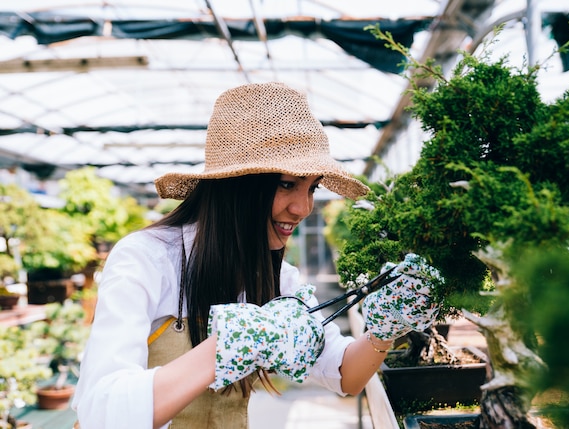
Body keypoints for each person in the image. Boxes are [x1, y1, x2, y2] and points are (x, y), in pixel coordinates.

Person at [72, 82, 439, 429]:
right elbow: (102, 410)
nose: (303, 207)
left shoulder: (277, 277)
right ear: (237, 186)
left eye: (312, 188)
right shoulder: (147, 259)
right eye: (286, 185)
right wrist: (223, 347)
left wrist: (385, 329)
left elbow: (343, 373)